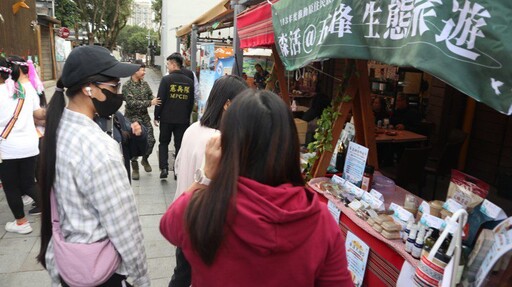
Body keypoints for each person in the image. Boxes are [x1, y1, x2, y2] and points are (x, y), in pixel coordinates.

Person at [160, 90, 353, 287]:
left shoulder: (203, 209)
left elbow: (168, 226)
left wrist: (206, 175)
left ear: (228, 144)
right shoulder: (319, 220)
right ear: (290, 145)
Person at [37, 45, 150, 287]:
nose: (118, 93)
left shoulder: (57, 131)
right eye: (114, 86)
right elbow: (125, 228)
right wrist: (142, 279)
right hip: (100, 271)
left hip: (68, 262)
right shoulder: (99, 148)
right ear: (89, 88)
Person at [169, 75, 248, 287]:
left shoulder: (192, 129)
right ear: (228, 104)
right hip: (204, 223)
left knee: (182, 274)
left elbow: (177, 166)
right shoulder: (220, 140)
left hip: (183, 213)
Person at [0, 56, 45, 234]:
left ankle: (21, 223)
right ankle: (54, 209)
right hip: (30, 144)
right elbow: (39, 114)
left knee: (11, 186)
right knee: (28, 183)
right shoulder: (26, 89)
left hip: (7, 148)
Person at [154, 53, 194, 179]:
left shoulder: (166, 80)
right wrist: (187, 117)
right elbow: (191, 102)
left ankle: (164, 168)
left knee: (164, 142)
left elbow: (160, 99)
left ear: (173, 64)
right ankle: (177, 171)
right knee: (179, 145)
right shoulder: (189, 82)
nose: (167, 67)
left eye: (168, 64)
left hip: (166, 118)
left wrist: (156, 115)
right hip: (182, 119)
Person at [122, 60, 159, 180]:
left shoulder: (145, 84)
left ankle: (145, 159)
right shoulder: (127, 86)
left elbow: (150, 95)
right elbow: (131, 103)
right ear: (135, 71)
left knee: (151, 140)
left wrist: (156, 99)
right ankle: (135, 166)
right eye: (142, 70)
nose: (144, 72)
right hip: (132, 119)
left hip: (144, 117)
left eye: (144, 70)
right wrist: (150, 103)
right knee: (133, 143)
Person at [94, 111, 148, 182]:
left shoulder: (115, 116)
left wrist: (139, 133)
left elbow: (133, 150)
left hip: (120, 184)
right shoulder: (82, 123)